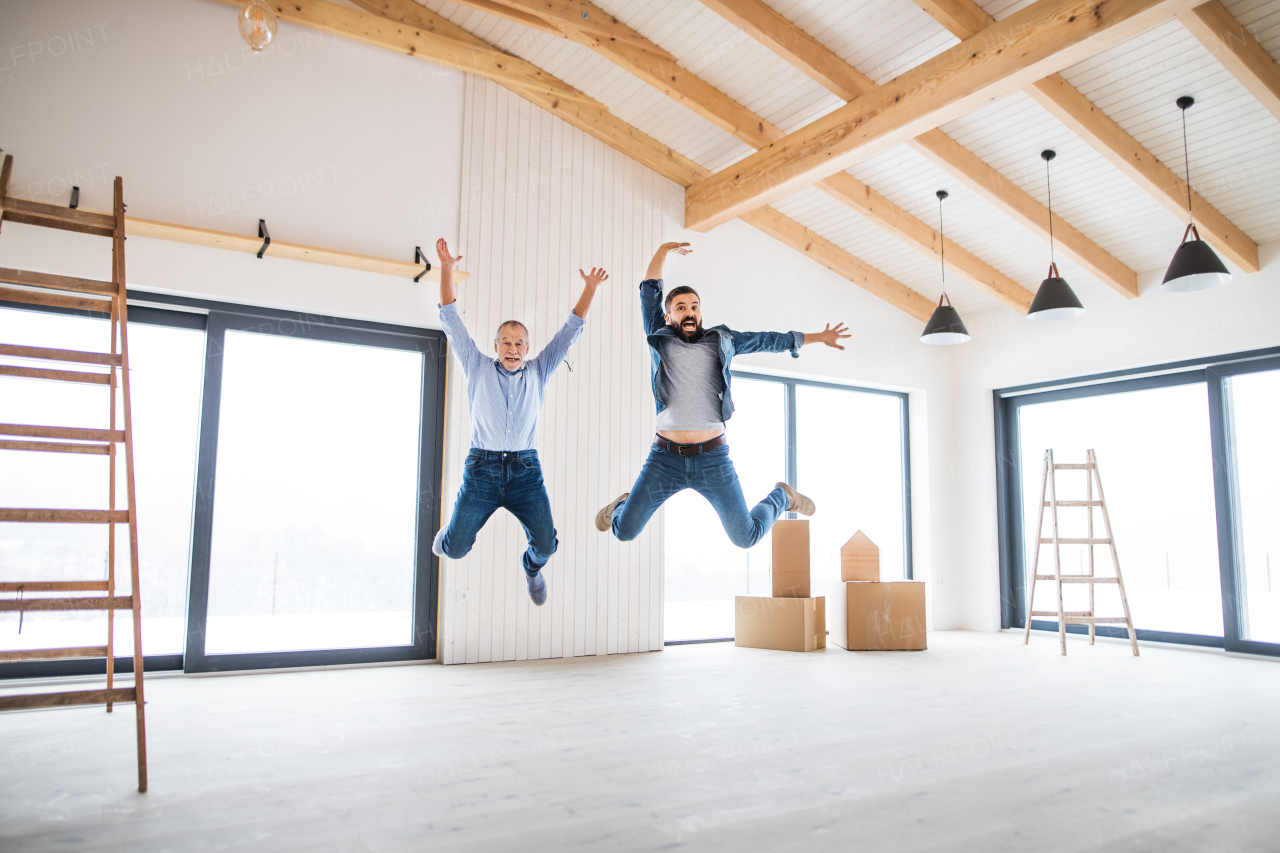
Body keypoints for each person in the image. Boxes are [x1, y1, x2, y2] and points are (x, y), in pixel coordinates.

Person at [596, 241, 849, 548]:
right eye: (680, 308)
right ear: (668, 316)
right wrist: (663, 250)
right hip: (664, 459)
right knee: (624, 531)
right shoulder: (659, 336)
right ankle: (622, 505)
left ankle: (782, 497)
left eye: (694, 307)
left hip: (712, 458)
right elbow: (649, 290)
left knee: (746, 537)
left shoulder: (722, 340)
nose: (689, 312)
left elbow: (767, 340)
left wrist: (818, 337)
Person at [433, 238, 609, 605]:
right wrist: (447, 268)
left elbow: (569, 333)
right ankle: (448, 537)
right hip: (481, 469)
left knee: (547, 544)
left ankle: (531, 569)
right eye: (506, 343)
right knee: (454, 550)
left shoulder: (538, 371)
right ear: (494, 345)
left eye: (519, 344)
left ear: (527, 349)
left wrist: (589, 288)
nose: (513, 349)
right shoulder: (476, 365)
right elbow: (450, 319)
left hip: (525, 472)